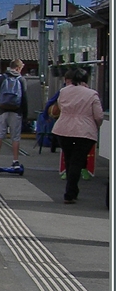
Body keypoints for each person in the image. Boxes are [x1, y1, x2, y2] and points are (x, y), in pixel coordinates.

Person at [52, 68, 105, 204]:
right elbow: (98, 116)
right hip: (85, 131)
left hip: (63, 128)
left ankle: (72, 190)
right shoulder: (92, 94)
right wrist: (96, 125)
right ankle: (70, 193)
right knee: (77, 161)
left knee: (69, 159)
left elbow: (60, 107)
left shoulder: (64, 91)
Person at [0, 59, 28, 171]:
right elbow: (24, 98)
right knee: (15, 137)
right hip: (16, 112)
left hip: (2, 110)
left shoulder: (2, 78)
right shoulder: (21, 80)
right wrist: (25, 115)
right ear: (18, 68)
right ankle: (15, 161)